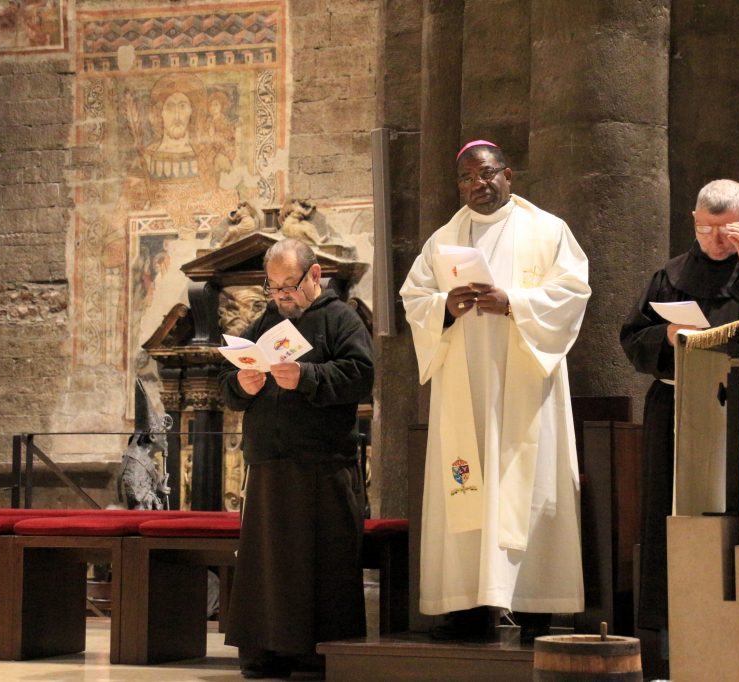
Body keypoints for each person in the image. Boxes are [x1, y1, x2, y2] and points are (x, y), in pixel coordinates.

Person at [400, 140, 591, 642]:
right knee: (466, 485)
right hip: (463, 386)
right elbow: (414, 297)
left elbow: (573, 292)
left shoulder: (548, 231)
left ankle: (534, 607)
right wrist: (445, 306)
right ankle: (465, 607)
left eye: (486, 174)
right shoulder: (443, 240)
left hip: (525, 385)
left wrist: (514, 303)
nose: (477, 185)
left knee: (528, 485)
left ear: (508, 176)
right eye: (466, 178)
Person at [620, 179, 739, 639]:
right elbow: (632, 338)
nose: (713, 241)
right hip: (677, 406)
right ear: (694, 220)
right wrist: (666, 336)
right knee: (671, 514)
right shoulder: (671, 275)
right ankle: (669, 635)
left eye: (726, 231)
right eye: (704, 230)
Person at [219, 238, 374, 679]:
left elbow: (361, 375)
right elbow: (226, 385)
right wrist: (241, 385)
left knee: (320, 565)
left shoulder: (341, 318)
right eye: (273, 286)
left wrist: (307, 376)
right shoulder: (264, 323)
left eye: (289, 284)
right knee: (268, 566)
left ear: (315, 274)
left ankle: (315, 654)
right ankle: (264, 652)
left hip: (322, 467)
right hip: (268, 466)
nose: (282, 295)